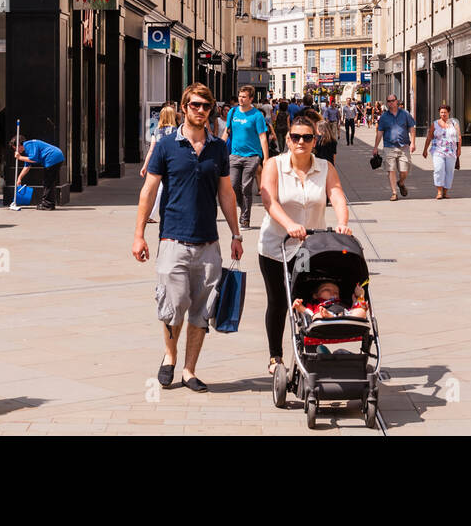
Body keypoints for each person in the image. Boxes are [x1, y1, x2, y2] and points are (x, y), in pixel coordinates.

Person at [132, 83, 243, 393]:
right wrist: (139, 234)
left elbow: (226, 193)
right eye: (194, 105)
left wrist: (236, 234)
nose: (200, 110)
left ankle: (189, 370)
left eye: (205, 106)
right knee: (173, 303)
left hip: (209, 242)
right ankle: (169, 355)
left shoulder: (219, 148)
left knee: (202, 309)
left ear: (211, 110)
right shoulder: (167, 145)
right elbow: (149, 190)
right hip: (172, 240)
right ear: (184, 107)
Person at [258, 115, 353, 375]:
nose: (301, 141)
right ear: (287, 140)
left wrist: (343, 223)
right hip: (276, 247)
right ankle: (275, 357)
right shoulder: (274, 165)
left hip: (307, 249)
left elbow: (337, 195)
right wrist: (289, 224)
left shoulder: (325, 168)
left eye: (307, 137)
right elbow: (270, 201)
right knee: (278, 301)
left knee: (304, 299)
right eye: (296, 137)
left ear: (315, 140)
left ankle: (308, 349)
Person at [223, 85, 270, 229]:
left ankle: (245, 219)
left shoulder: (257, 115)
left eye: (244, 97)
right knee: (233, 185)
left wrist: (266, 159)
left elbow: (263, 137)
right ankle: (244, 209)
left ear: (251, 99)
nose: (241, 99)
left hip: (252, 156)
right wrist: (218, 147)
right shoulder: (233, 112)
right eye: (240, 96)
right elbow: (227, 131)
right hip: (235, 155)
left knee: (246, 186)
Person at [373, 94, 416, 201]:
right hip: (389, 146)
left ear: (397, 101)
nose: (391, 103)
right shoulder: (384, 117)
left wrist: (413, 143)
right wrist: (375, 147)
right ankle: (394, 193)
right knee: (391, 169)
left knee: (404, 170)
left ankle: (401, 182)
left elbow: (411, 128)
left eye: (393, 100)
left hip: (404, 146)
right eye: (389, 101)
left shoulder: (405, 114)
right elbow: (380, 132)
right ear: (387, 103)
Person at [11, 136, 65, 211]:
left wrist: (20, 157)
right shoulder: (28, 150)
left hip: (52, 158)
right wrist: (19, 178)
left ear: (19, 145)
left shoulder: (28, 145)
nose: (15, 150)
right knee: (49, 182)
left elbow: (33, 159)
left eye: (15, 148)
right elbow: (27, 166)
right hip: (56, 157)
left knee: (48, 183)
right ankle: (50, 204)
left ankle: (47, 205)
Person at [421, 103, 462, 200]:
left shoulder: (454, 123)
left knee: (449, 171)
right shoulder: (435, 124)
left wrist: (459, 149)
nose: (443, 114)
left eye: (445, 112)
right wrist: (425, 150)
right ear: (439, 113)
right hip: (437, 151)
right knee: (439, 169)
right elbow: (429, 137)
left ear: (449, 113)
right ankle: (439, 191)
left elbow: (459, 136)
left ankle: (445, 191)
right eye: (441, 112)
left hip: (451, 151)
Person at [293, 282, 368, 320]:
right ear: (315, 295)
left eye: (336, 291)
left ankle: (332, 316)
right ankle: (330, 316)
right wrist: (300, 307)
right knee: (316, 316)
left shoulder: (341, 302)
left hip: (345, 315)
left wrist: (360, 296)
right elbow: (309, 313)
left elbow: (352, 308)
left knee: (360, 311)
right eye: (327, 289)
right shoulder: (315, 304)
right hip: (323, 317)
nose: (333, 292)